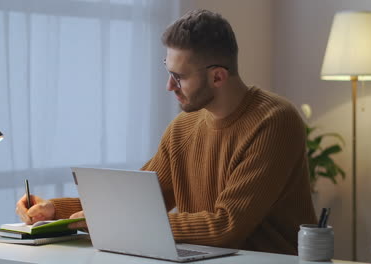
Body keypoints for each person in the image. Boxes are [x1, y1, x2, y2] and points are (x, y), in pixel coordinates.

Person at [16, 9, 317, 255]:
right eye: (167, 70)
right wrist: (55, 210)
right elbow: (137, 203)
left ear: (217, 76)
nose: (169, 86)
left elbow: (226, 227)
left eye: (179, 77)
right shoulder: (183, 129)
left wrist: (114, 221)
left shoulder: (274, 121)